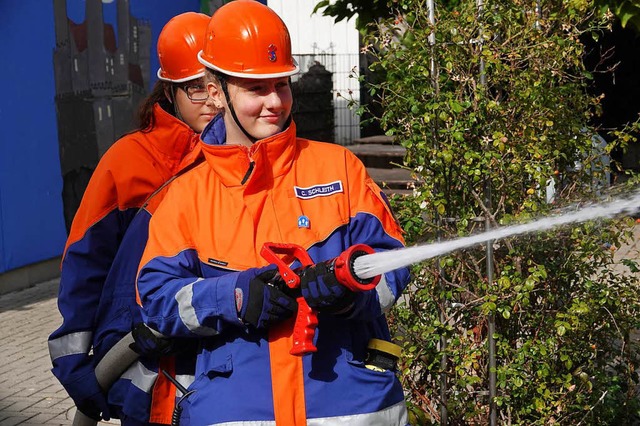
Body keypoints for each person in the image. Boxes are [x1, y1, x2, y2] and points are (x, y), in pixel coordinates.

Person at [136, 1, 411, 425]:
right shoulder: (185, 195)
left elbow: (393, 266)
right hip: (239, 412)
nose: (274, 102)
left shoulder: (339, 168)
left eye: (281, 84)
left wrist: (347, 285)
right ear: (215, 91)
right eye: (255, 88)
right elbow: (155, 299)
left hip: (351, 408)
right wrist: (235, 296)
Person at [47, 11, 215, 424]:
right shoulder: (128, 161)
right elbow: (87, 261)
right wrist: (75, 362)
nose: (212, 100)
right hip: (142, 369)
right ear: (170, 90)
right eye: (196, 89)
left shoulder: (241, 161)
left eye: (220, 86)